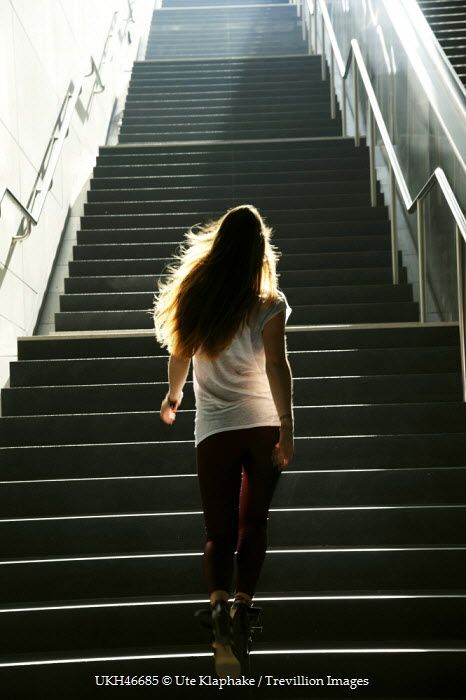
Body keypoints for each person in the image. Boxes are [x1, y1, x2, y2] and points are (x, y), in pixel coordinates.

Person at [153, 204, 294, 678]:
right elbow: (278, 366)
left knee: (218, 532)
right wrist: (288, 427)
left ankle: (217, 615)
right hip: (261, 426)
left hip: (213, 429)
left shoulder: (197, 299)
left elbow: (179, 356)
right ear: (259, 249)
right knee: (253, 523)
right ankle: (241, 611)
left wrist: (172, 398)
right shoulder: (269, 303)